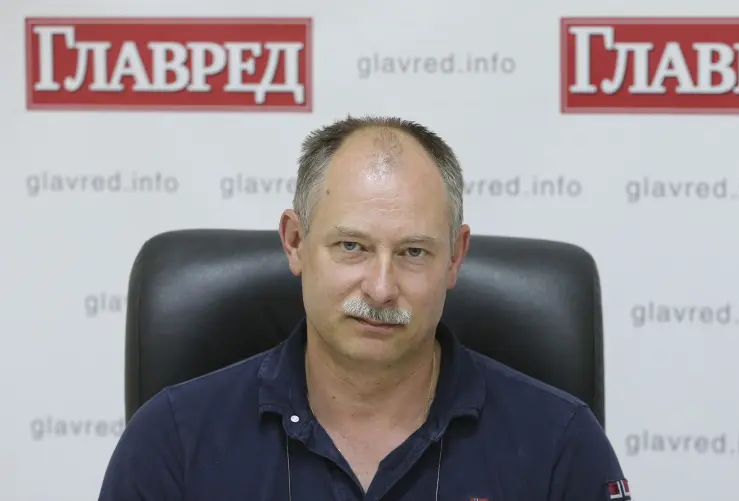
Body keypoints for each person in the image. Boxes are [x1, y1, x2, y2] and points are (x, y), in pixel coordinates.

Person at [98, 115, 631, 500]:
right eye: (351, 246)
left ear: (455, 257)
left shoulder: (561, 444)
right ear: (295, 242)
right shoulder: (172, 440)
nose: (380, 288)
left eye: (413, 252)